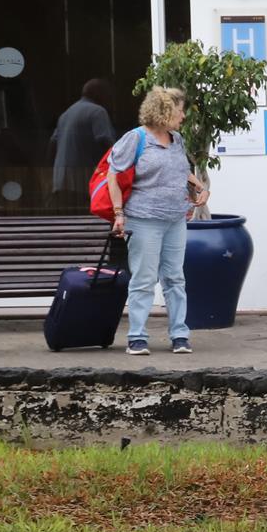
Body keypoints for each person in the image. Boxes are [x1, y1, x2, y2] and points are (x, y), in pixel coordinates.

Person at [104, 86, 207, 356]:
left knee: (175, 278)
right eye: (179, 110)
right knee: (144, 279)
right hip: (144, 219)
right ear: (164, 111)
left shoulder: (177, 139)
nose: (183, 115)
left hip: (175, 219)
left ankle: (180, 335)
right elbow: (112, 174)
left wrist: (199, 186)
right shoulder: (136, 139)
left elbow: (181, 171)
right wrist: (118, 213)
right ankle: (137, 337)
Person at [50, 78, 115, 206]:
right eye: (107, 94)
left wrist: (50, 175)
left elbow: (52, 144)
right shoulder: (97, 112)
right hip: (82, 181)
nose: (109, 99)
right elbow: (105, 143)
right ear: (98, 94)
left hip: (60, 182)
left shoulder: (66, 114)